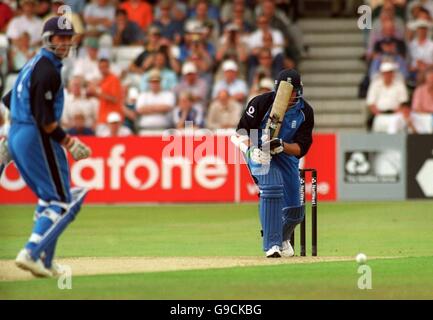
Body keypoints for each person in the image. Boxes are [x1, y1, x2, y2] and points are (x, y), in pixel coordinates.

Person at [0, 17, 91, 277]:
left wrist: (8, 136)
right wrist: (70, 143)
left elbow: (8, 100)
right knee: (62, 201)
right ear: (48, 39)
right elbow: (45, 120)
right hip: (34, 134)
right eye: (59, 38)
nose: (64, 43)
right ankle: (30, 252)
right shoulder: (47, 70)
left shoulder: (34, 64)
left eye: (67, 38)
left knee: (48, 197)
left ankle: (46, 262)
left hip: (19, 132)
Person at [233, 69, 314, 258]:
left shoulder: (305, 111)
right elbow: (240, 133)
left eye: (291, 91)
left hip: (285, 155)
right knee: (272, 186)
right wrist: (252, 150)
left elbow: (301, 148)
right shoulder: (261, 102)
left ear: (298, 90)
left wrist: (282, 146)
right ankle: (272, 245)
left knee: (295, 211)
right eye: (283, 90)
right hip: (259, 152)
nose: (287, 95)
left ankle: (282, 238)